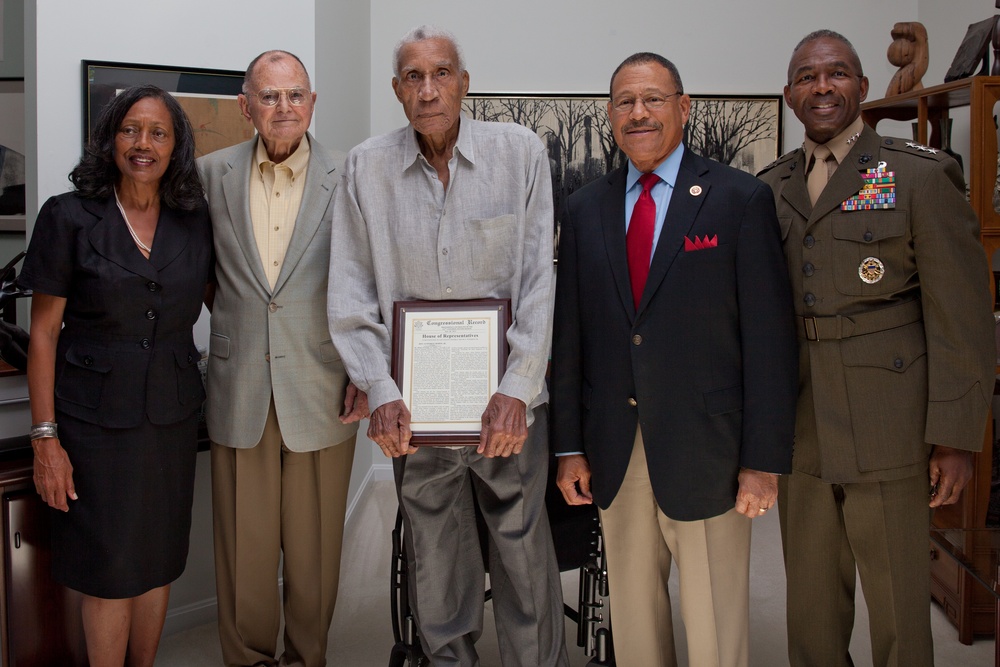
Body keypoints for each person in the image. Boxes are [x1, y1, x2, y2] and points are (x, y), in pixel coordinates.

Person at [328, 25, 569, 667]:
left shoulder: (519, 152)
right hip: (416, 410)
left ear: (464, 83)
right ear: (397, 91)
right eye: (414, 76)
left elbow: (538, 281)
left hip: (505, 404)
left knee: (520, 551)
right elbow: (351, 291)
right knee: (434, 557)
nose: (428, 89)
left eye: (442, 74)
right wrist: (379, 387)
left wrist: (518, 388)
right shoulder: (365, 167)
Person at [550, 52, 798, 667]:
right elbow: (570, 337)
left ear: (683, 108)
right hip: (615, 449)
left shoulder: (739, 200)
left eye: (653, 99)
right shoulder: (584, 210)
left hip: (710, 452)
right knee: (635, 628)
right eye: (624, 102)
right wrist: (568, 447)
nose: (638, 113)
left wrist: (763, 461)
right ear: (610, 116)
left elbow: (770, 341)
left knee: (716, 631)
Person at [757, 30, 996, 667]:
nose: (822, 86)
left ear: (862, 88)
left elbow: (963, 318)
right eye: (806, 77)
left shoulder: (917, 176)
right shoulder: (771, 187)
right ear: (789, 95)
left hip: (892, 421)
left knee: (897, 611)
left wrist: (955, 437)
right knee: (809, 610)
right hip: (802, 428)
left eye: (836, 74)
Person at [23, 84, 213, 667]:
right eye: (130, 129)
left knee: (158, 561)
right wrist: (46, 439)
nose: (143, 143)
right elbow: (42, 335)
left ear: (175, 145)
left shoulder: (193, 219)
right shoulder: (68, 215)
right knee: (108, 569)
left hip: (172, 421)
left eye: (158, 132)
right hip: (93, 425)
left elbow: (229, 304)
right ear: (110, 138)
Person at [198, 50, 363, 667]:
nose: (284, 108)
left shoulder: (351, 175)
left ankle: (306, 657)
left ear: (312, 103)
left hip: (323, 384)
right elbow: (205, 276)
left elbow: (369, 281)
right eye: (269, 97)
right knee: (244, 548)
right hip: (239, 383)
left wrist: (367, 373)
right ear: (246, 107)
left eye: (295, 95)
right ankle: (247, 658)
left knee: (316, 550)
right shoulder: (208, 174)